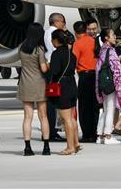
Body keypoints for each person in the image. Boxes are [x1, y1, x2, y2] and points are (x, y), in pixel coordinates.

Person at [17, 22, 50, 156]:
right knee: (43, 116)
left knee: (27, 117)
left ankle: (27, 147)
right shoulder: (39, 49)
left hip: (25, 83)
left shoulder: (21, 48)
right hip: (39, 84)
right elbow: (43, 68)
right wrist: (49, 65)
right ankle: (46, 147)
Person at [49, 29, 79, 155]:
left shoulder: (56, 54)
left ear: (56, 40)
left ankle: (70, 146)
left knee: (66, 118)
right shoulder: (71, 54)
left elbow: (55, 71)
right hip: (72, 84)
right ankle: (76, 142)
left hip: (63, 87)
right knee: (72, 117)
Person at [95, 28, 121, 145]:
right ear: (106, 38)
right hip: (110, 84)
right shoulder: (111, 51)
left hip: (103, 83)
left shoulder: (102, 50)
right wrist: (119, 84)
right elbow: (117, 69)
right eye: (112, 35)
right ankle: (108, 135)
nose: (114, 36)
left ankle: (100, 135)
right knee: (110, 109)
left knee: (105, 109)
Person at [73, 19, 100, 143]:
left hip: (84, 76)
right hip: (95, 75)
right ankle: (94, 133)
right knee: (94, 106)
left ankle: (86, 134)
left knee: (84, 107)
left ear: (75, 31)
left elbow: (74, 61)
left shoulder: (77, 43)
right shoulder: (94, 42)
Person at [44, 12, 67, 142]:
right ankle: (52, 131)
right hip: (53, 70)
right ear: (57, 22)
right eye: (63, 22)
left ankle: (49, 130)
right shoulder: (55, 34)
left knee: (50, 102)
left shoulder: (46, 32)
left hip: (48, 70)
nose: (64, 25)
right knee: (53, 102)